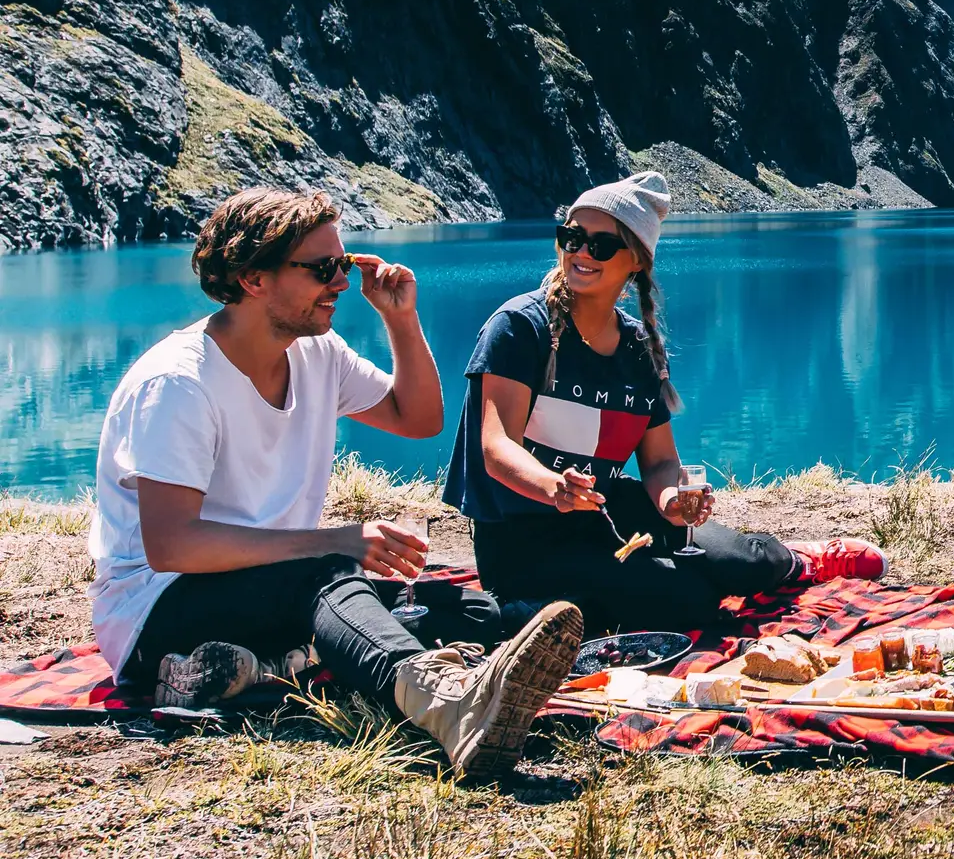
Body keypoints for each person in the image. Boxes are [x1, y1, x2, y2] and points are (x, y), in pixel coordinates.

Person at [89, 188, 583, 778]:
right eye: (323, 268)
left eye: (342, 265)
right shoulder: (178, 385)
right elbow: (172, 547)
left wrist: (400, 317)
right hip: (159, 609)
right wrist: (334, 540)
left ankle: (254, 664)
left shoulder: (317, 352)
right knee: (333, 576)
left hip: (274, 582)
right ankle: (447, 703)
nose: (342, 283)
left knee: (468, 612)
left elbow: (417, 417)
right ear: (253, 279)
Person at [443, 171, 882, 634]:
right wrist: (554, 486)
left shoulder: (637, 347)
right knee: (684, 602)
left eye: (601, 245)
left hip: (607, 511)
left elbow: (658, 461)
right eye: (572, 237)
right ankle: (542, 604)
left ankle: (798, 560)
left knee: (743, 562)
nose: (580, 253)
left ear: (635, 260)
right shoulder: (518, 328)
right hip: (522, 534)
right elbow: (496, 447)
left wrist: (672, 500)